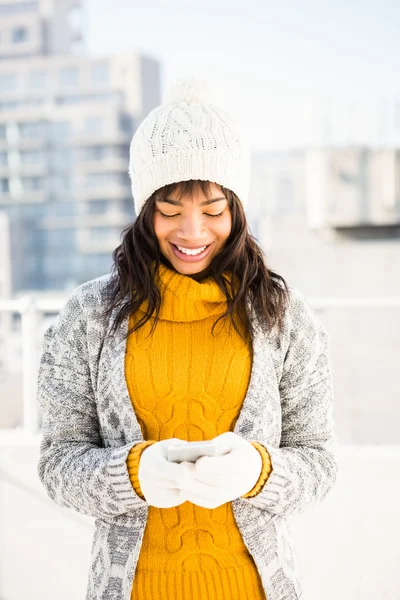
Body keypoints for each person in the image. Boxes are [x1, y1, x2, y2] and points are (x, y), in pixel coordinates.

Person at [36, 77, 338, 600]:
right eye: (170, 211)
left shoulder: (283, 316)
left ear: (238, 210)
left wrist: (258, 472)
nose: (192, 232)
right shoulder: (87, 317)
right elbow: (58, 462)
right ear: (144, 209)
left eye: (213, 211)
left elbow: (319, 462)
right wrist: (131, 474)